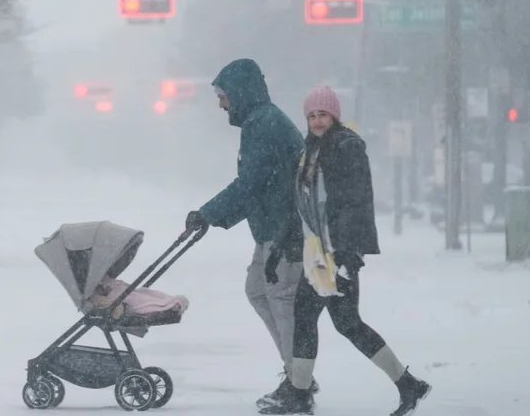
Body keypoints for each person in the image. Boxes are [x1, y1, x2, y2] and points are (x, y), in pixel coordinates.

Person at [258, 86, 431, 416]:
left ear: (334, 116)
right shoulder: (312, 152)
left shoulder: (346, 147)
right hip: (319, 253)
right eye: (311, 115)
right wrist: (280, 249)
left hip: (336, 253)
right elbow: (303, 207)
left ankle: (300, 395)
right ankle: (406, 385)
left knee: (318, 319)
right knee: (342, 322)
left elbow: (355, 202)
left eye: (323, 114)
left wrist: (349, 254)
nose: (317, 121)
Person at [184, 58, 312, 409]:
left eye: (223, 95)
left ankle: (299, 386)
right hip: (272, 227)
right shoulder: (260, 122)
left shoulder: (264, 124)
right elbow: (256, 187)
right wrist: (210, 218)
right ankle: (296, 374)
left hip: (285, 230)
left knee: (282, 300)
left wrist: (208, 213)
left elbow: (251, 184)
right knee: (257, 290)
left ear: (240, 93)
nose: (221, 103)